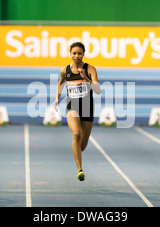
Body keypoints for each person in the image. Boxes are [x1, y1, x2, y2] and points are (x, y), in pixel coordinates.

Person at [53, 42, 101, 181]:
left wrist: (86, 78)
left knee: (82, 146)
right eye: (74, 53)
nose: (76, 56)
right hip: (72, 105)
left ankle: (77, 152)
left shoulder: (91, 69)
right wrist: (57, 98)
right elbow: (61, 82)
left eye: (79, 53)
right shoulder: (64, 70)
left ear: (83, 54)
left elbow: (98, 90)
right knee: (76, 133)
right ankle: (80, 169)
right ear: (70, 54)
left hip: (87, 107)